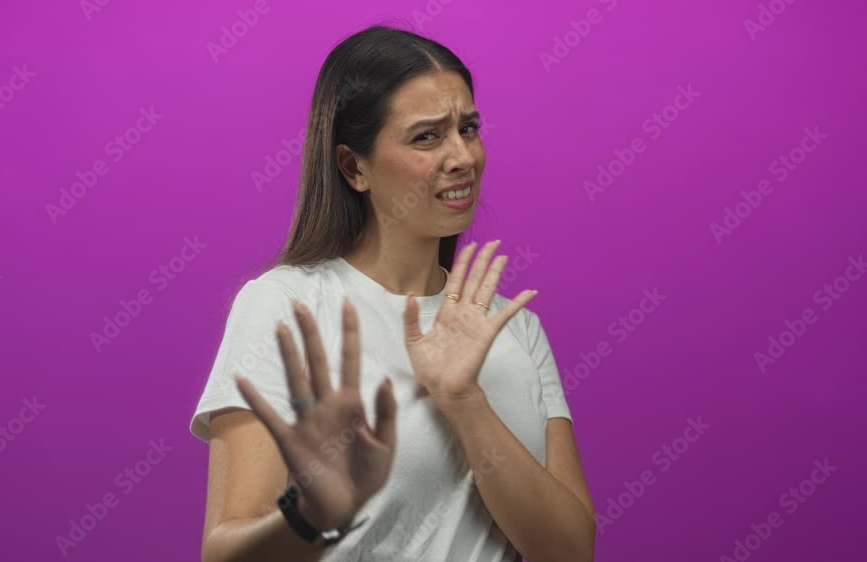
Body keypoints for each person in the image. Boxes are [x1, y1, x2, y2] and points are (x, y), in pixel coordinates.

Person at [190, 24, 595, 562]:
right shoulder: (287, 305)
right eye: (427, 137)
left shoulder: (514, 326)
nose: (463, 156)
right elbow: (223, 552)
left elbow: (571, 551)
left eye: (468, 128)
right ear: (353, 167)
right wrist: (311, 514)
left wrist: (464, 402)